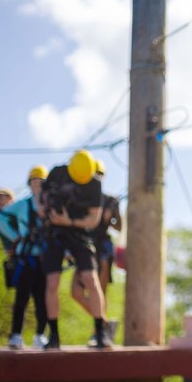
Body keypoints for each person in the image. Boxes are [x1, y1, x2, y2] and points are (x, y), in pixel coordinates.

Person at [39, 149, 111, 349]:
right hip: (54, 232)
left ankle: (100, 332)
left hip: (79, 233)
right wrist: (47, 209)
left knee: (90, 278)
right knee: (52, 282)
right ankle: (53, 336)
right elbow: (41, 195)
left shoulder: (95, 184)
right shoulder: (57, 173)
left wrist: (68, 220)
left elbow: (93, 220)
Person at [0, 166, 49, 349]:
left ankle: (40, 335)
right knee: (22, 297)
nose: (37, 185)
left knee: (42, 298)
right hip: (26, 257)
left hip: (43, 258)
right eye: (34, 181)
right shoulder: (23, 205)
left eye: (41, 182)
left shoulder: (51, 206)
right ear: (29, 184)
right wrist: (14, 236)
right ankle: (16, 335)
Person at [70, 159, 121, 344]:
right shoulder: (81, 199)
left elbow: (119, 227)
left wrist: (114, 214)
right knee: (76, 292)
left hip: (103, 248)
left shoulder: (110, 200)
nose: (96, 178)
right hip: (84, 246)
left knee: (99, 291)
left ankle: (98, 332)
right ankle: (106, 324)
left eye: (99, 174)